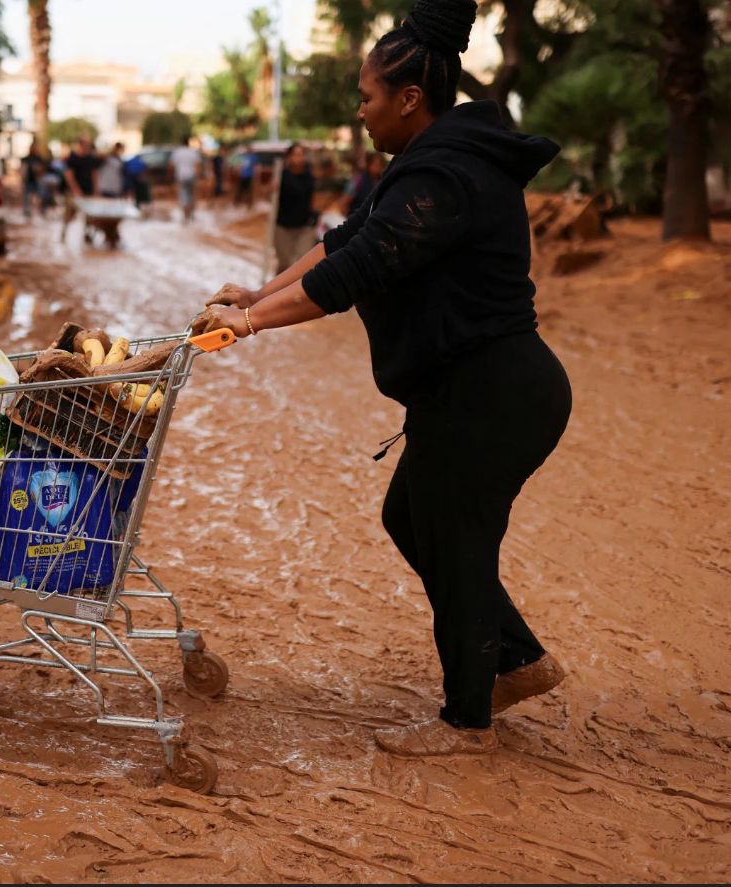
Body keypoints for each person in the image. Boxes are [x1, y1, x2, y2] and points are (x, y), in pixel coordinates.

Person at [197, 0, 571, 758]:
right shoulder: (424, 163)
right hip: (467, 389)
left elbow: (363, 268)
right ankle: (518, 659)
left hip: (495, 390)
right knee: (412, 515)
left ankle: (467, 721)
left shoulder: (451, 173)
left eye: (366, 97)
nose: (359, 111)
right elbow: (346, 239)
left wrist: (257, 324)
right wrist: (259, 293)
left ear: (408, 99)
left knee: (455, 535)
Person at [273, 142, 317, 273]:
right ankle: (277, 291)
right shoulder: (281, 175)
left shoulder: (309, 176)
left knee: (302, 265)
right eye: (296, 154)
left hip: (304, 226)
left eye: (302, 154)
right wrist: (271, 188)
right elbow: (266, 194)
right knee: (285, 265)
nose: (300, 158)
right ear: (289, 157)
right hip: (283, 227)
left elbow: (313, 198)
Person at [339, 151, 387, 216]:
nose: (378, 168)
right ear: (369, 164)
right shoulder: (358, 179)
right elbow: (344, 201)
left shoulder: (382, 180)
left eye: (381, 165)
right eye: (376, 165)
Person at [171, 136, 202, 222]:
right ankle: (192, 215)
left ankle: (186, 217)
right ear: (188, 143)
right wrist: (199, 177)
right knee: (192, 195)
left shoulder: (177, 152)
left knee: (183, 195)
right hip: (192, 176)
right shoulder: (193, 152)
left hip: (181, 176)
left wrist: (171, 177)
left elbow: (171, 165)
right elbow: (198, 166)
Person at [21, 140, 48, 219]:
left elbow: (44, 169)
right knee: (27, 197)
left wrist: (40, 173)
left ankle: (43, 210)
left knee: (43, 195)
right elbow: (23, 170)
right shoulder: (26, 159)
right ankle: (27, 212)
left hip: (38, 181)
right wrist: (23, 179)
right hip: (29, 180)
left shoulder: (40, 159)